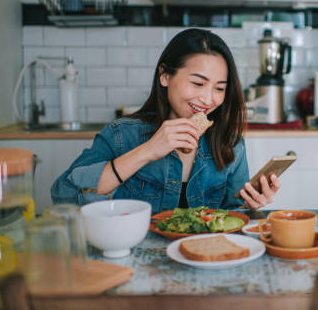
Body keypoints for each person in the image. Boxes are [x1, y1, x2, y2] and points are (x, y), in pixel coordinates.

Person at [51, 28, 281, 214]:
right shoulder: (121, 135)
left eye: (219, 88)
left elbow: (230, 214)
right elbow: (64, 196)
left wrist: (249, 207)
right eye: (198, 84)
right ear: (165, 76)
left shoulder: (229, 142)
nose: (208, 99)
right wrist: (148, 150)